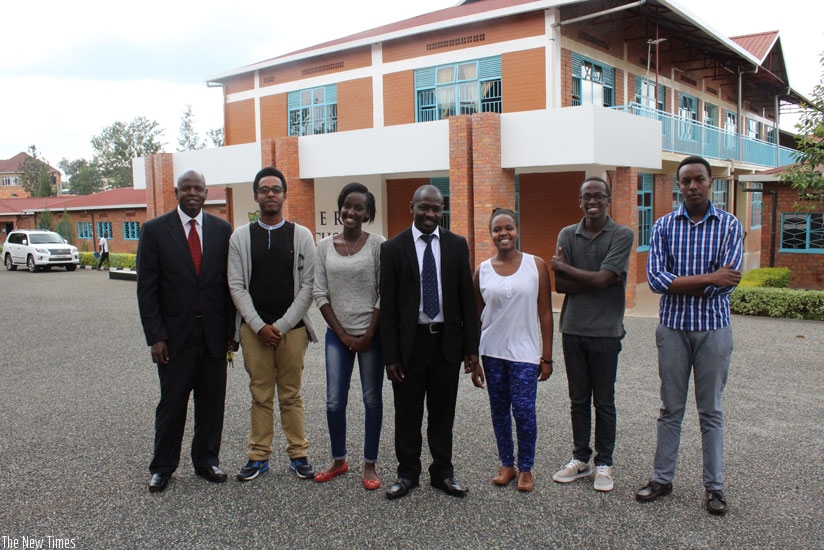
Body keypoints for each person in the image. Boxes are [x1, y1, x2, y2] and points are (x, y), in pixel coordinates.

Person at [635, 155, 742, 516]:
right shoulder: (663, 227)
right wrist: (710, 277)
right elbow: (655, 281)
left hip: (713, 329)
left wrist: (693, 283)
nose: (692, 186)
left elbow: (726, 286)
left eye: (699, 179)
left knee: (710, 411)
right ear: (678, 185)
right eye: (686, 181)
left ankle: (715, 487)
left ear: (711, 182)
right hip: (673, 330)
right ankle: (662, 479)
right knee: (670, 409)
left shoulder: (729, 226)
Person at [136, 169, 235, 493]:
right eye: (186, 188)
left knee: (212, 402)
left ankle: (207, 461)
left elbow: (228, 286)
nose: (192, 192)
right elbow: (147, 290)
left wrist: (231, 331)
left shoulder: (222, 230)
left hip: (213, 335)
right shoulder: (154, 231)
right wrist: (156, 337)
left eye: (198, 188)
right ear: (176, 192)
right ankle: (162, 467)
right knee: (172, 402)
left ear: (207, 193)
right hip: (174, 338)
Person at [379, 184, 479, 500]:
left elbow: (467, 300)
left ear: (442, 209)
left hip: (446, 345)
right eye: (424, 207)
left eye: (436, 208)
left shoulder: (456, 245)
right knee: (407, 413)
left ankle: (442, 474)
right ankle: (407, 474)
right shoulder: (393, 248)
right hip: (410, 346)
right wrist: (390, 355)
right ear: (412, 206)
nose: (430, 214)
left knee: (442, 414)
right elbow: (389, 306)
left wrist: (470, 348)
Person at [228, 166, 318, 482]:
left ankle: (298, 454)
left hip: (291, 331)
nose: (270, 194)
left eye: (276, 189)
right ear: (255, 195)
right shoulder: (240, 236)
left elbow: (309, 285)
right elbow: (236, 285)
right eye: (264, 189)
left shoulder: (302, 235)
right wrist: (257, 326)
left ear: (284, 195)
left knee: (291, 394)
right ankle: (258, 456)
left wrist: (280, 325)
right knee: (260, 394)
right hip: (254, 332)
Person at [549, 176, 634, 493]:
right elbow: (561, 286)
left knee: (605, 401)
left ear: (608, 199)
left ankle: (604, 464)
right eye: (587, 197)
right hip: (572, 329)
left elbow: (600, 279)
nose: (592, 201)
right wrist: (599, 278)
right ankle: (580, 458)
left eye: (599, 196)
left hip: (606, 332)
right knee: (578, 399)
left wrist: (566, 267)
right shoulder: (567, 234)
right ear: (580, 201)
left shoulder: (622, 235)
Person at [471, 208, 554, 493]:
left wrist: (548, 356)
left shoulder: (536, 265)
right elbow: (476, 317)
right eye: (497, 229)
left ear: (517, 230)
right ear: (491, 234)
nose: (503, 233)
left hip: (525, 354)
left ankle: (526, 468)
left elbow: (545, 312)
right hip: (492, 352)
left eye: (508, 228)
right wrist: (473, 357)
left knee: (524, 411)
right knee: (499, 411)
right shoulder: (481, 270)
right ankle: (507, 464)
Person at [313, 183, 386, 490]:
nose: (351, 212)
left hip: (372, 336)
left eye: (358, 208)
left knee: (371, 399)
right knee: (333, 402)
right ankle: (339, 460)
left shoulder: (378, 244)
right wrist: (342, 334)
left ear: (367, 213)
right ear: (340, 208)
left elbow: (385, 293)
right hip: (337, 336)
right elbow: (320, 292)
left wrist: (368, 333)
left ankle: (369, 464)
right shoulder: (325, 247)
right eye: (347, 206)